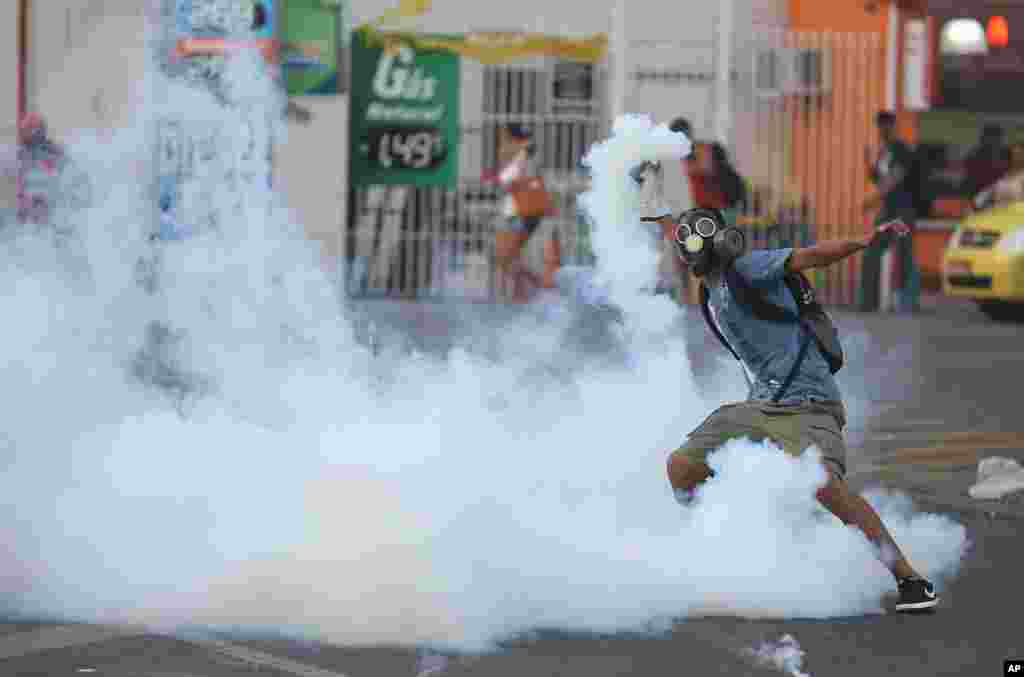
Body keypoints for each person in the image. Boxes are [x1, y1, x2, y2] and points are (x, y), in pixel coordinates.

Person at [665, 207, 940, 613]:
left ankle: (910, 580)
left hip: (809, 402)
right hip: (760, 406)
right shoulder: (709, 291)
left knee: (827, 487)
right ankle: (717, 549)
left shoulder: (748, 267)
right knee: (682, 466)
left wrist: (864, 241)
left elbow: (812, 255)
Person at [859, 111, 920, 313]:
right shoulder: (884, 151)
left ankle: (907, 302)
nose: (882, 129)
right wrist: (869, 164)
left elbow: (895, 179)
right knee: (872, 249)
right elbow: (880, 179)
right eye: (880, 125)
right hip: (888, 210)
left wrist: (873, 199)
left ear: (893, 126)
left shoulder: (901, 149)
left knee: (904, 253)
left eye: (886, 125)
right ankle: (869, 301)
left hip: (902, 211)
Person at [491, 124, 549, 302]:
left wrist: (493, 177)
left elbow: (506, 180)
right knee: (511, 256)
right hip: (522, 211)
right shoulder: (525, 154)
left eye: (504, 138)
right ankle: (522, 293)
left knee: (506, 256)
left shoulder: (521, 155)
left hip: (521, 212)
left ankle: (538, 285)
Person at [15, 113, 65, 225]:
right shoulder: (21, 153)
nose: (27, 133)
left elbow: (62, 173)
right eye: (26, 129)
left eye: (31, 129)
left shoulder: (53, 151)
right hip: (29, 204)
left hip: (47, 201)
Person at [963, 124, 1011, 198]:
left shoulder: (1007, 154)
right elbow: (971, 179)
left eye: (997, 138)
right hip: (980, 192)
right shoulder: (974, 155)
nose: (993, 142)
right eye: (990, 138)